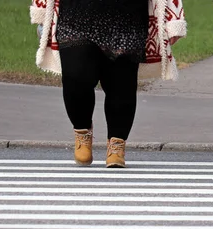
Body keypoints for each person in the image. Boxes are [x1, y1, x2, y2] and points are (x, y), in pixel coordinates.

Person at [30, 0, 187, 168]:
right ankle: (82, 130)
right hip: (75, 14)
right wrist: (42, 11)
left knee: (122, 83)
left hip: (127, 16)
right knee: (76, 77)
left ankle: (117, 143)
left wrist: (173, 20)